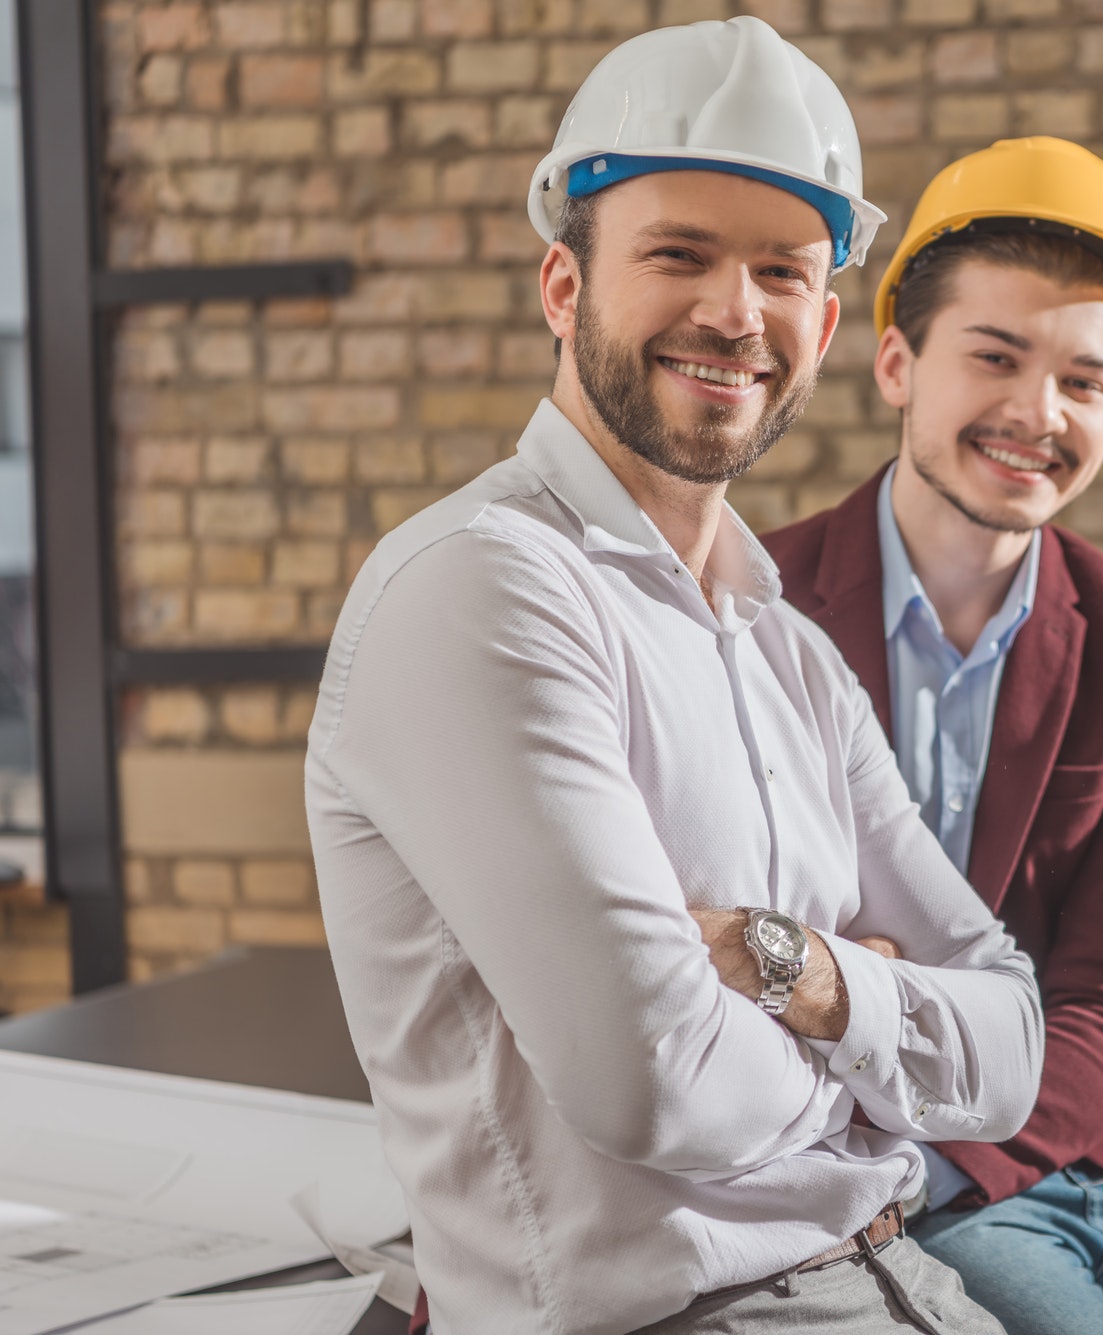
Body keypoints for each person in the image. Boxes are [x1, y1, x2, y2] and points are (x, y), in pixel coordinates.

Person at [306, 21, 1044, 1335]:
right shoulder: (483, 590)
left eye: (779, 272)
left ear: (823, 326)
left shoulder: (788, 650)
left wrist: (790, 969)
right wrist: (879, 1047)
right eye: (679, 254)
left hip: (901, 1271)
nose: (733, 312)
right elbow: (654, 1084)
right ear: (561, 285)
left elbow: (1015, 1043)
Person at [763, 137, 1103, 1335]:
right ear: (897, 363)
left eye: (1084, 380)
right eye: (997, 358)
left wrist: (963, 1143)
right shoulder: (753, 605)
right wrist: (905, 1159)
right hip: (875, 1160)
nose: (1038, 414)